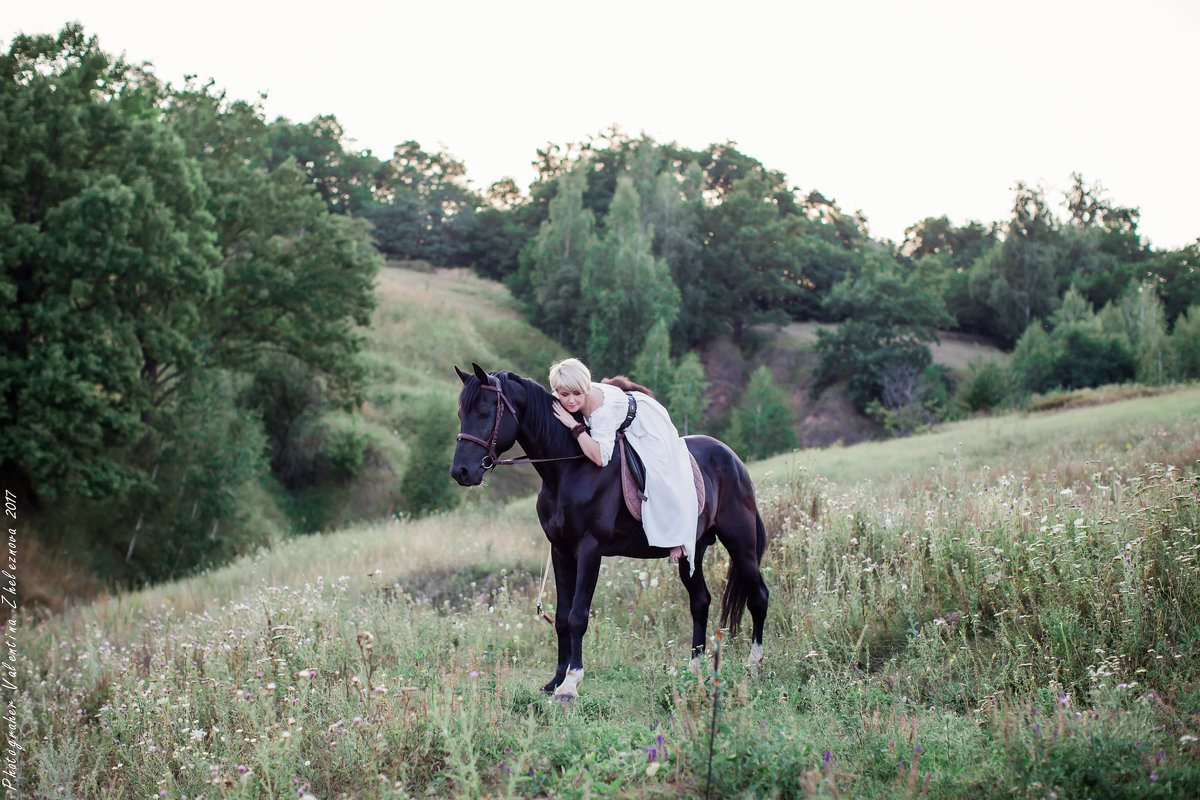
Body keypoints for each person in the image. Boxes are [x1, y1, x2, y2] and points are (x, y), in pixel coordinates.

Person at [548, 357, 698, 570]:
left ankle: (678, 538)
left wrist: (574, 426)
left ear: (586, 389)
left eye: (577, 394)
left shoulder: (600, 411)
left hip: (645, 424)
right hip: (621, 424)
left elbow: (601, 457)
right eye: (564, 395)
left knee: (659, 475)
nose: (570, 401)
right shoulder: (564, 392)